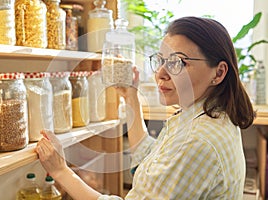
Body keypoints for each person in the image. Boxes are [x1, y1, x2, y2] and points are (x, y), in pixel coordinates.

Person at [35, 16, 255, 199]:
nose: (160, 73)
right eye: (161, 60)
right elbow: (151, 159)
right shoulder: (205, 114)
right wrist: (131, 97)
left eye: (178, 62)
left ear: (218, 72)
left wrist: (61, 172)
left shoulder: (197, 140)